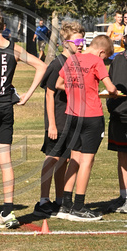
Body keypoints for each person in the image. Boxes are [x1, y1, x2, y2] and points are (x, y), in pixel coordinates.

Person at [0, 8, 47, 230]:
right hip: (6, 109)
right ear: (2, 27)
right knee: (6, 161)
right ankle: (8, 212)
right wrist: (27, 95)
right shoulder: (14, 47)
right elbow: (41, 66)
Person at [56, 35, 118, 222]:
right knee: (87, 161)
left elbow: (59, 84)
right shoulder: (96, 61)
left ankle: (65, 204)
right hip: (91, 116)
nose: (104, 61)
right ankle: (79, 206)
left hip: (72, 115)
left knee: (74, 157)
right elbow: (111, 87)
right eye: (106, 57)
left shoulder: (72, 59)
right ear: (101, 52)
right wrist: (113, 93)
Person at [33, 22, 86, 218]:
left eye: (83, 39)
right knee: (52, 158)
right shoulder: (57, 64)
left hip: (73, 119)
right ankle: (43, 201)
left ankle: (60, 199)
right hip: (58, 119)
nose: (81, 44)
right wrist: (52, 125)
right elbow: (48, 94)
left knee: (64, 160)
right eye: (77, 40)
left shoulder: (78, 62)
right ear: (66, 42)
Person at [106, 22, 127, 214]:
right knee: (121, 156)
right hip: (118, 115)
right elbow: (111, 84)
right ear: (124, 39)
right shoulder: (117, 60)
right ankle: (124, 197)